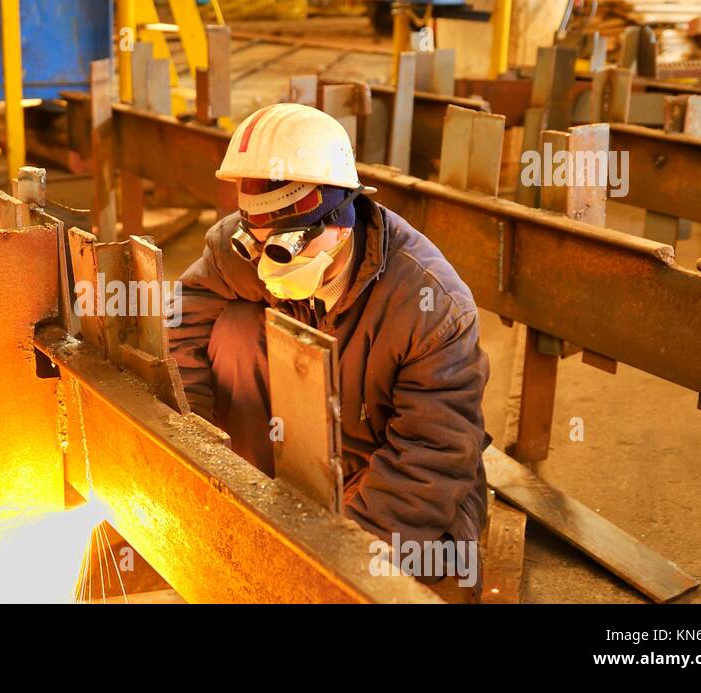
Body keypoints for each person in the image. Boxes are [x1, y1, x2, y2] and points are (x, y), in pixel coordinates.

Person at [171, 102, 490, 595]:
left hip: (391, 469)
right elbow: (185, 325)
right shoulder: (239, 253)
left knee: (418, 572)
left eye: (284, 247)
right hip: (300, 450)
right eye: (256, 246)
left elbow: (431, 457)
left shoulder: (432, 307)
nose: (266, 265)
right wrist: (191, 447)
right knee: (233, 329)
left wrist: (327, 561)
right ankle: (257, 500)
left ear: (340, 221)